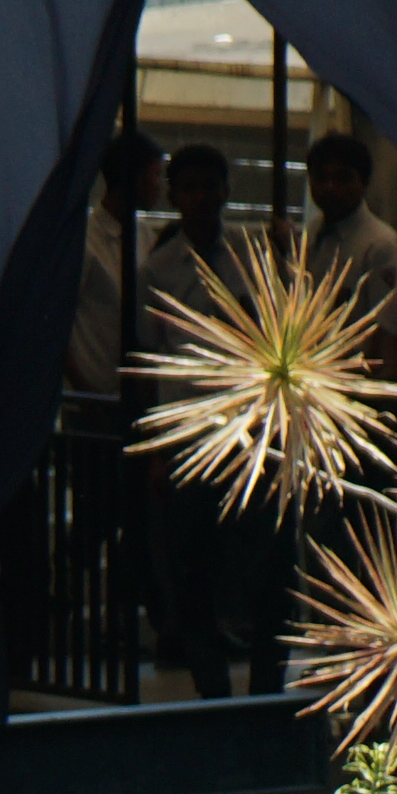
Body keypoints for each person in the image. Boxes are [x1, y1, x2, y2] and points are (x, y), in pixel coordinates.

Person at [133, 142, 285, 696]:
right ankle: (212, 691)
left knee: (266, 569)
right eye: (189, 188)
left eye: (210, 187)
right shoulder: (158, 269)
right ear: (174, 196)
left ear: (225, 191)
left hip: (250, 436)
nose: (201, 199)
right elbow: (149, 365)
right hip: (187, 436)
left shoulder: (252, 253)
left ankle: (266, 688)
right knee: (189, 570)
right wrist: (154, 448)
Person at [300, 131, 397, 352]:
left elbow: (387, 328)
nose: (330, 187)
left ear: (364, 181)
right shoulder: (312, 233)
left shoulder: (380, 245)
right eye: (321, 178)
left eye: (342, 178)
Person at [67, 131, 159, 400]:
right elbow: (57, 328)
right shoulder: (84, 243)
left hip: (134, 395)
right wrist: (84, 397)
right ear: (137, 180)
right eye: (155, 175)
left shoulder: (145, 236)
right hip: (93, 397)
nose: (160, 186)